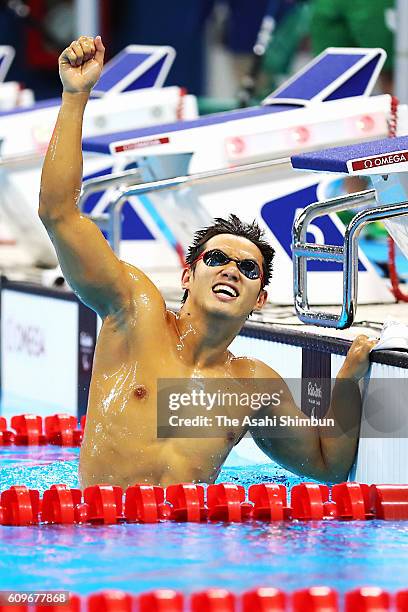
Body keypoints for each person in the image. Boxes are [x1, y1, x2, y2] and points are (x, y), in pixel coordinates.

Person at [39, 36, 376, 489]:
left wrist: (352, 370)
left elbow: (326, 467)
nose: (232, 270)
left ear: (260, 299)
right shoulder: (134, 313)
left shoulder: (252, 385)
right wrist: (75, 96)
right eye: (216, 258)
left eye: (248, 268)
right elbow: (58, 212)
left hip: (190, 552)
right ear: (187, 274)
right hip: (97, 536)